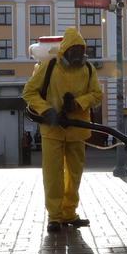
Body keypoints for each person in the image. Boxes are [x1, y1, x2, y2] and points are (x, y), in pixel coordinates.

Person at [22, 27, 103, 233]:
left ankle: (69, 214)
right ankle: (55, 217)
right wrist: (47, 110)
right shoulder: (49, 67)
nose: (77, 56)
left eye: (81, 51)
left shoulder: (88, 70)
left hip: (77, 131)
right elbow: (29, 92)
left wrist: (77, 103)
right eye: (74, 51)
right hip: (53, 131)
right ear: (65, 50)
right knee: (53, 175)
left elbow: (97, 94)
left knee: (74, 174)